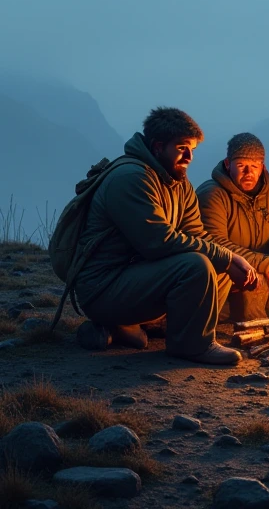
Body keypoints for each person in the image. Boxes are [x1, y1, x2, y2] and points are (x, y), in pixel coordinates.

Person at [74, 107, 257, 365]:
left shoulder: (178, 183)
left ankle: (125, 327)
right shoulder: (130, 179)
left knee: (217, 265)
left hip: (138, 279)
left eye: (192, 149)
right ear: (158, 147)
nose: (189, 156)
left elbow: (197, 235)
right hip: (104, 288)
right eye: (182, 148)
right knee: (198, 265)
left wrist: (234, 259)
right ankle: (192, 346)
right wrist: (224, 258)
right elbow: (158, 242)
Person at [197, 132, 269, 321]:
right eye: (242, 166)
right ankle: (230, 314)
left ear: (262, 167)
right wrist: (266, 266)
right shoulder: (213, 195)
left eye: (254, 166)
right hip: (232, 272)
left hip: (264, 266)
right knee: (241, 274)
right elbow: (215, 243)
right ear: (228, 164)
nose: (248, 173)